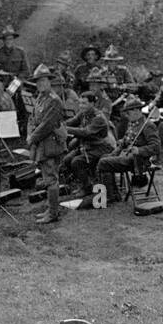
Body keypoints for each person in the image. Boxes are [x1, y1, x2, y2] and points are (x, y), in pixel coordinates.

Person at [96, 97, 160, 204]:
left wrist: (139, 150)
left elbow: (156, 146)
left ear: (136, 111)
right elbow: (124, 142)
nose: (126, 115)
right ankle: (113, 194)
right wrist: (114, 153)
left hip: (139, 162)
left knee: (103, 163)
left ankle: (110, 196)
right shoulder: (132, 123)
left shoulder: (147, 125)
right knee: (104, 158)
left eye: (128, 112)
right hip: (128, 157)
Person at [27, 66, 65, 224]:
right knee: (47, 177)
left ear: (49, 81)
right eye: (38, 81)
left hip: (50, 144)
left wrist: (32, 138)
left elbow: (47, 125)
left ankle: (53, 213)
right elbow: (32, 119)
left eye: (43, 80)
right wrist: (30, 134)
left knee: (51, 179)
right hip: (41, 142)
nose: (40, 84)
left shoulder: (54, 100)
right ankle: (50, 209)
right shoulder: (40, 98)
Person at [61, 87, 114, 191]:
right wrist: (59, 124)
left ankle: (87, 188)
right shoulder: (84, 113)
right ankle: (82, 181)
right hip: (88, 146)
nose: (81, 106)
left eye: (84, 103)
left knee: (76, 162)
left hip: (101, 147)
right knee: (67, 160)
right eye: (80, 103)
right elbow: (73, 121)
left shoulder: (98, 117)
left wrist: (65, 129)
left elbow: (85, 132)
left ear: (92, 104)